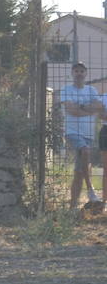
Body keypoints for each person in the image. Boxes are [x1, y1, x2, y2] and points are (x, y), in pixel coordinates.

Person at [61, 62, 101, 207]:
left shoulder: (91, 90)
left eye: (81, 71)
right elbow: (71, 110)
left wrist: (81, 108)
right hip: (72, 132)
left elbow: (98, 106)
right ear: (72, 73)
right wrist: (89, 110)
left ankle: (73, 206)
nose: (79, 73)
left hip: (88, 133)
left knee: (79, 171)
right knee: (85, 150)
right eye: (76, 71)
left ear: (86, 74)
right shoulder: (66, 89)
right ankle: (90, 188)